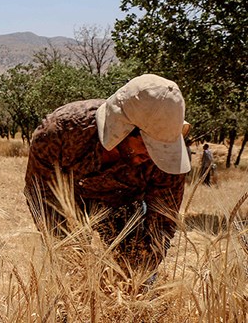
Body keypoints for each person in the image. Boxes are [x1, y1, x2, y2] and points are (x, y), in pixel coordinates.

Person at [24, 74, 191, 279]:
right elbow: (40, 194)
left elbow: (162, 223)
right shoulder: (60, 132)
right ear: (124, 129)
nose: (153, 158)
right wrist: (69, 253)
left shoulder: (168, 160)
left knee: (140, 279)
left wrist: (138, 274)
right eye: (148, 147)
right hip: (65, 204)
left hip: (126, 210)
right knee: (64, 277)